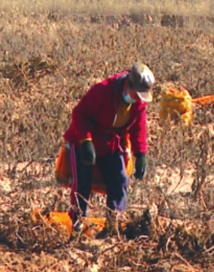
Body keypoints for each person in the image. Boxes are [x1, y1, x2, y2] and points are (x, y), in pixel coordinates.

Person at [63, 63, 155, 235]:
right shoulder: (103, 91)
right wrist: (86, 142)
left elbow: (139, 128)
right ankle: (77, 223)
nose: (139, 99)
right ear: (128, 85)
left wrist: (141, 154)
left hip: (110, 143)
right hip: (83, 141)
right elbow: (79, 114)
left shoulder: (139, 103)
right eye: (137, 94)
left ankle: (113, 224)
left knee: (119, 181)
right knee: (82, 182)